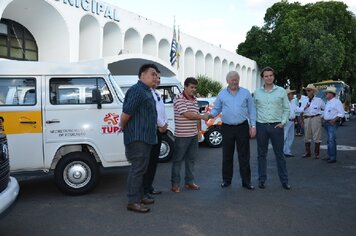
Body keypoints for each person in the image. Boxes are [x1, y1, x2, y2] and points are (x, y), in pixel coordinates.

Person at [120, 63, 159, 213]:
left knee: (142, 169)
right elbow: (126, 114)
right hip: (138, 138)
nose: (155, 77)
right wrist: (123, 127)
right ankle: (133, 201)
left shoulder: (147, 91)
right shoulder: (137, 90)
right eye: (152, 74)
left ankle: (140, 196)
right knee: (137, 169)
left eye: (156, 75)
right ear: (142, 75)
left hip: (146, 137)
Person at [209, 71, 256, 190]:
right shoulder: (221, 94)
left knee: (244, 155)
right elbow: (216, 109)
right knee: (227, 155)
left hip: (242, 127)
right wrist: (209, 115)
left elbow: (252, 110)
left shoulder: (246, 93)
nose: (234, 81)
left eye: (236, 79)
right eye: (232, 79)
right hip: (227, 127)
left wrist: (253, 126)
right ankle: (226, 180)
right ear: (227, 81)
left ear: (239, 80)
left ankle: (246, 182)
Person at [254, 67, 291, 190]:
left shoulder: (281, 91)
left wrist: (283, 122)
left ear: (273, 76)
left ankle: (284, 181)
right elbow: (253, 109)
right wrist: (253, 125)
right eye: (266, 76)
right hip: (262, 126)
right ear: (262, 78)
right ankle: (262, 180)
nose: (269, 77)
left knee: (279, 155)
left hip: (277, 126)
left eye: (271, 75)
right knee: (261, 155)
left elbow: (286, 109)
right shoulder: (257, 92)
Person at [171, 77, 209, 193]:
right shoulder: (178, 98)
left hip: (193, 135)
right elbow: (187, 114)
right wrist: (203, 116)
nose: (194, 89)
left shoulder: (194, 100)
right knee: (178, 161)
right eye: (191, 87)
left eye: (195, 87)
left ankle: (189, 182)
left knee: (191, 160)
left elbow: (196, 117)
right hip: (182, 136)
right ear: (185, 87)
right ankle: (175, 184)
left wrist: (198, 131)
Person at [143, 72, 167, 198]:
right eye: (155, 77)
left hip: (159, 129)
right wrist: (161, 124)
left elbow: (162, 111)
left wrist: (165, 123)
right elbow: (153, 113)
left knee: (153, 162)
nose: (157, 80)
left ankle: (149, 187)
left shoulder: (157, 93)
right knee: (147, 162)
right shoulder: (147, 93)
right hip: (152, 130)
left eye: (159, 78)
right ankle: (144, 190)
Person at [301, 84, 325, 159]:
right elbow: (300, 110)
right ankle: (308, 153)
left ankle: (316, 154)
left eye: (309, 90)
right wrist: (301, 120)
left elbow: (325, 109)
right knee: (307, 136)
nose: (307, 92)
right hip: (307, 118)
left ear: (313, 91)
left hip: (316, 118)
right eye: (307, 90)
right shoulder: (304, 100)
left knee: (317, 136)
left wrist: (321, 117)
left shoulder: (319, 100)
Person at [322, 86, 344, 163]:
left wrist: (334, 120)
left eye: (326, 93)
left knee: (331, 140)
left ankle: (332, 157)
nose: (325, 94)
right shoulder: (328, 102)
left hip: (332, 123)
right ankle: (330, 156)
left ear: (331, 94)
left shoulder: (337, 102)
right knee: (329, 140)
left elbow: (341, 113)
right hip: (327, 123)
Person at [283, 88, 304, 157]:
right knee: (284, 137)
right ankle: (282, 151)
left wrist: (304, 107)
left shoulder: (292, 103)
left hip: (291, 121)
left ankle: (287, 151)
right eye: (291, 94)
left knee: (290, 137)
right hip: (286, 121)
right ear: (287, 95)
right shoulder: (284, 103)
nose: (292, 95)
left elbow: (298, 109)